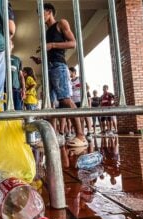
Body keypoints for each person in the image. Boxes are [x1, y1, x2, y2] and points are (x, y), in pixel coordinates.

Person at [31, 3, 87, 147]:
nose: (39, 16)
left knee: (65, 101)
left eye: (41, 13)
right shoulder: (46, 31)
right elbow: (50, 51)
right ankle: (52, 138)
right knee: (50, 104)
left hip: (59, 66)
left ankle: (81, 136)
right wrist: (41, 59)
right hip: (48, 67)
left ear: (49, 11)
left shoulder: (61, 23)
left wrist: (52, 45)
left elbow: (73, 43)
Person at [10, 40, 25, 111]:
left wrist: (23, 90)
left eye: (10, 43)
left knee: (18, 111)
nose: (8, 45)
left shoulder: (17, 59)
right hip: (3, 89)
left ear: (12, 46)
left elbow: (21, 76)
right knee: (3, 112)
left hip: (16, 88)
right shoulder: (0, 58)